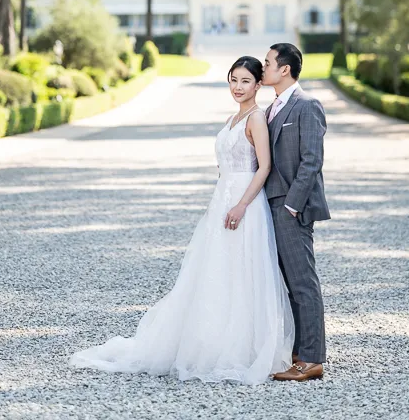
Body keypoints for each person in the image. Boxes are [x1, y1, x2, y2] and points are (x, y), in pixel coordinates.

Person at [69, 56, 294, 384]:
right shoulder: (233, 118)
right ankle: (208, 339)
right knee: (215, 270)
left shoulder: (256, 118)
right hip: (222, 200)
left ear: (258, 84)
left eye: (245, 81)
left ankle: (241, 346)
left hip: (245, 204)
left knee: (243, 271)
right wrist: (222, 198)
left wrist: (241, 205)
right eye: (233, 80)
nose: (237, 87)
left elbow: (264, 166)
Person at [262, 43, 330, 382]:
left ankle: (312, 359)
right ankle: (298, 350)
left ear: (284, 69)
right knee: (287, 283)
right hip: (268, 205)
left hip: (292, 208)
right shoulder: (270, 108)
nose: (263, 67)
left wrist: (292, 205)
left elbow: (312, 160)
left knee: (303, 282)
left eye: (268, 62)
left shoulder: (307, 106)